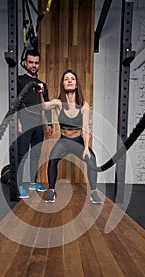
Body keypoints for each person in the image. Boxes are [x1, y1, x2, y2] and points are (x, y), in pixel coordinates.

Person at [36, 69, 102, 204]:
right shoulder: (58, 103)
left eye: (72, 78)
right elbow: (43, 106)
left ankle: (94, 192)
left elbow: (85, 128)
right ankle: (51, 191)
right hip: (64, 140)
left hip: (78, 141)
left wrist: (85, 148)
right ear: (63, 84)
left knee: (92, 160)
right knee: (52, 159)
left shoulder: (84, 105)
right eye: (66, 79)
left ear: (76, 84)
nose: (69, 80)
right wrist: (41, 94)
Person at [17, 49, 53, 198]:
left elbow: (47, 105)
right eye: (31, 62)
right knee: (21, 155)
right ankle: (18, 186)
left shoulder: (42, 84)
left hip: (38, 123)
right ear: (25, 63)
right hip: (24, 122)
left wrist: (49, 123)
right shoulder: (18, 80)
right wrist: (17, 122)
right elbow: (15, 103)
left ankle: (33, 182)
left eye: (36, 63)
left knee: (35, 155)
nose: (33, 65)